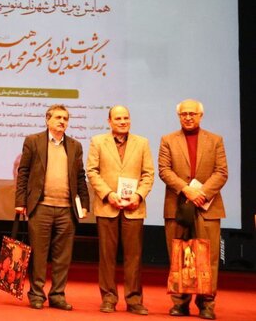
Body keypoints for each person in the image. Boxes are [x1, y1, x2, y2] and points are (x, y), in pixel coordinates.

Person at [15, 104, 89, 311]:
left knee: (63, 257)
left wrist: (84, 204)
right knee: (38, 255)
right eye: (58, 117)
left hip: (67, 209)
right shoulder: (33, 141)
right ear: (47, 120)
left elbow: (80, 177)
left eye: (65, 118)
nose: (62, 121)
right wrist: (20, 202)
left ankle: (57, 295)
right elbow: (23, 172)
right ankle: (37, 294)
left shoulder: (75, 146)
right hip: (41, 207)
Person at [158, 99, 228, 320]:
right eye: (184, 114)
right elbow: (164, 170)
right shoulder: (168, 140)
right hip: (177, 205)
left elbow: (221, 172)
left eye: (192, 113)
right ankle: (180, 303)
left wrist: (202, 193)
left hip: (208, 207)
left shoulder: (215, 140)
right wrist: (186, 190)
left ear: (200, 115)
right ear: (179, 116)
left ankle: (207, 304)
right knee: (179, 255)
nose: (188, 117)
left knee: (209, 258)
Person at [86, 105, 154, 315]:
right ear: (109, 121)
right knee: (107, 257)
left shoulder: (142, 143)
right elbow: (92, 171)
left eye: (126, 118)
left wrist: (138, 195)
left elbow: (148, 174)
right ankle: (108, 298)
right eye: (118, 118)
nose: (123, 121)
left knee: (134, 257)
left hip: (134, 207)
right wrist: (108, 194)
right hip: (108, 206)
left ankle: (134, 300)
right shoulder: (98, 141)